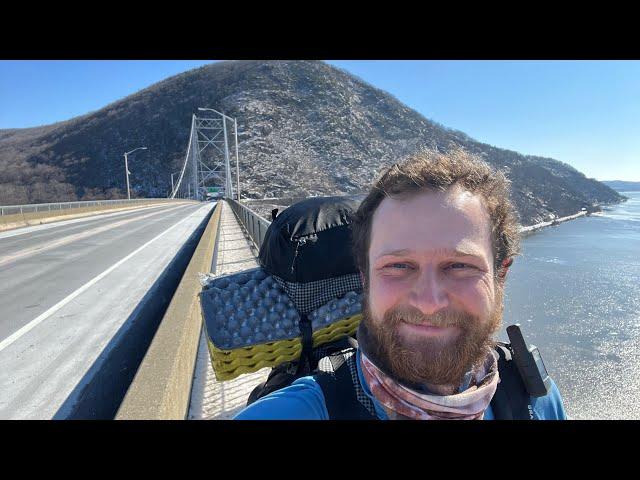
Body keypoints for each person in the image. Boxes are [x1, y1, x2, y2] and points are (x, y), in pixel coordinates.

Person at [235, 148, 567, 420]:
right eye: (398, 266)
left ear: (501, 275)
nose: (429, 301)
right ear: (365, 279)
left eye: (460, 266)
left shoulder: (536, 402)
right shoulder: (292, 413)